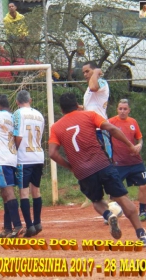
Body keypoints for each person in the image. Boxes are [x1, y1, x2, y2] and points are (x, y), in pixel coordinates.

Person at [48, 92, 146, 244]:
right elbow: (112, 129)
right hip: (102, 164)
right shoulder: (89, 115)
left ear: (61, 109)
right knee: (121, 198)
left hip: (83, 171)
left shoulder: (56, 127)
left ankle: (108, 215)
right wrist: (130, 145)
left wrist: (70, 167)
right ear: (77, 105)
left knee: (96, 201)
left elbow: (52, 153)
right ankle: (141, 234)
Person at [0, 94, 24, 238]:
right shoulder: (13, 117)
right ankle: (7, 228)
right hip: (12, 158)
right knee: (5, 194)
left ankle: (18, 226)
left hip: (0, 159)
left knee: (8, 192)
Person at [13, 90, 44, 237]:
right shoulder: (39, 114)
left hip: (24, 157)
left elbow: (18, 136)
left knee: (24, 193)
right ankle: (38, 222)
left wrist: (13, 151)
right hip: (38, 155)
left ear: (17, 102)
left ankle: (30, 225)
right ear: (30, 100)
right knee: (36, 190)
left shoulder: (18, 113)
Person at [80, 61, 112, 208]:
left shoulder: (101, 82)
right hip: (90, 130)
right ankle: (97, 197)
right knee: (91, 165)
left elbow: (94, 86)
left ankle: (113, 199)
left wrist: (97, 71)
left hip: (100, 130)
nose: (85, 75)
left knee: (106, 164)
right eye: (84, 73)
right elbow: (88, 109)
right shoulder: (88, 90)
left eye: (87, 71)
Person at [109, 99, 146, 221]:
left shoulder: (133, 122)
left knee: (144, 185)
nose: (122, 111)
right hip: (119, 163)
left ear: (129, 110)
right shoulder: (111, 122)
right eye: (120, 108)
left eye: (125, 109)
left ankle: (143, 211)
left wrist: (140, 145)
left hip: (135, 161)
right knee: (115, 190)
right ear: (117, 109)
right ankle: (111, 214)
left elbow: (139, 139)